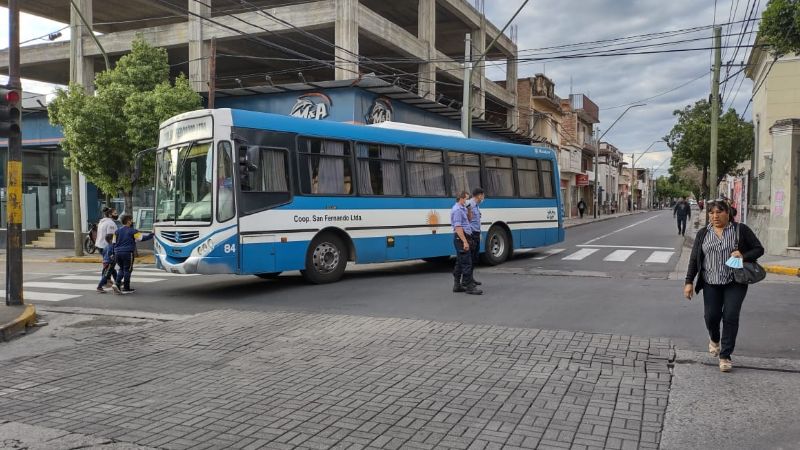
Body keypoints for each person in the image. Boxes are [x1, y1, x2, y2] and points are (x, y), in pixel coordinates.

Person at [683, 200, 763, 372]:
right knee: (711, 317)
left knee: (731, 315)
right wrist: (689, 282)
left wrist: (743, 255)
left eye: (719, 212)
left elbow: (759, 249)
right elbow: (694, 259)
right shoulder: (703, 233)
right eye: (711, 213)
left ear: (728, 213)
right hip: (711, 282)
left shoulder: (740, 230)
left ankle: (725, 355)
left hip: (735, 281)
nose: (715, 216)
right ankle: (714, 338)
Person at [112, 214, 154, 295]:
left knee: (121, 269)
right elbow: (141, 238)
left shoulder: (116, 231)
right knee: (128, 270)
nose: (132, 221)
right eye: (131, 220)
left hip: (117, 253)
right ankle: (126, 288)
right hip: (127, 253)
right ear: (128, 221)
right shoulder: (133, 231)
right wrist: (152, 235)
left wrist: (113, 253)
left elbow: (113, 243)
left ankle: (116, 284)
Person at [451, 191, 482, 295]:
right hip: (461, 238)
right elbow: (458, 227)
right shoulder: (457, 210)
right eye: (466, 199)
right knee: (467, 262)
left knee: (460, 262)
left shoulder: (463, 208)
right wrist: (464, 242)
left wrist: (469, 209)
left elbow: (469, 220)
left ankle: (457, 285)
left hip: (465, 237)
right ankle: (469, 287)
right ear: (461, 198)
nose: (467, 201)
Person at [466, 188, 485, 285]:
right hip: (472, 234)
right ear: (479, 195)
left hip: (476, 233)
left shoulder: (476, 205)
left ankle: (471, 278)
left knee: (475, 258)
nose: (483, 197)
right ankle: (466, 280)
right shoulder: (469, 204)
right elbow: (465, 219)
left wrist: (480, 233)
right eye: (483, 195)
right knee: (470, 258)